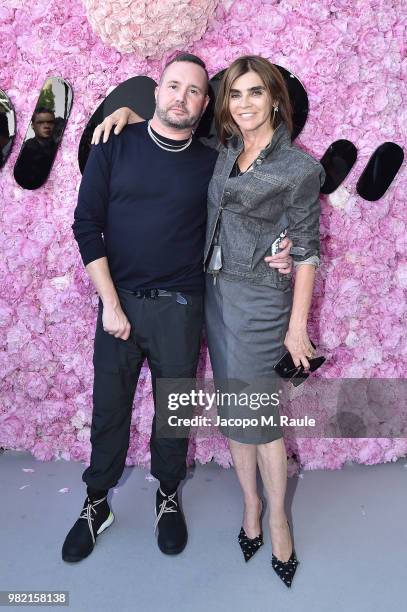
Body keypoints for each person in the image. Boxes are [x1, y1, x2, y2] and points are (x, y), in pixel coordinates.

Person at [63, 52, 294, 564]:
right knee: (110, 411)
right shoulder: (113, 144)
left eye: (193, 91)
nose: (181, 98)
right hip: (118, 304)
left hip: (182, 308)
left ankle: (167, 496)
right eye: (173, 86)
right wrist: (110, 304)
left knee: (172, 415)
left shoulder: (214, 162)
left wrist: (282, 247)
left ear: (205, 103)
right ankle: (96, 502)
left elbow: (257, 204)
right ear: (156, 93)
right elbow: (86, 226)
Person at [13, 108, 57, 189]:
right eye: (40, 122)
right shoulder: (26, 148)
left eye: (50, 122)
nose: (46, 126)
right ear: (33, 125)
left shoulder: (58, 147)